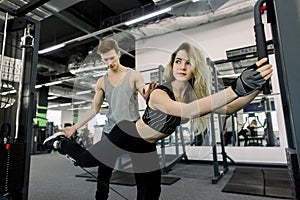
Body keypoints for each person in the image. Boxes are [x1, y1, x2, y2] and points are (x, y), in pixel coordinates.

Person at [43, 42, 272, 200]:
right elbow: (189, 111)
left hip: (145, 146)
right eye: (179, 61)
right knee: (85, 160)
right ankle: (59, 142)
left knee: (151, 192)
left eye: (188, 63)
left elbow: (230, 107)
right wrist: (236, 87)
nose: (182, 67)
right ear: (173, 64)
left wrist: (254, 87)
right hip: (126, 134)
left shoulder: (193, 96)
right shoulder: (160, 92)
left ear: (195, 68)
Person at [55, 39, 156, 200]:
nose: (109, 62)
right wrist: (75, 127)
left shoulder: (133, 75)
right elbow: (95, 108)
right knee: (103, 175)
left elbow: (144, 91)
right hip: (110, 132)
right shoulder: (102, 81)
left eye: (112, 58)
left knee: (142, 177)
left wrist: (148, 96)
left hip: (133, 132)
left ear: (119, 54)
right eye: (105, 59)